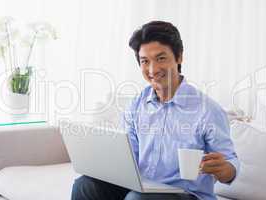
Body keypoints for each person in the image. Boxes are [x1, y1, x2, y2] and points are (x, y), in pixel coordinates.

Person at [71, 21, 239, 200]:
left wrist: (225, 169)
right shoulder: (137, 104)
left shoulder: (207, 110)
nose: (153, 69)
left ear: (179, 57)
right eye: (145, 61)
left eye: (161, 58)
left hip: (187, 195)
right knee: (85, 186)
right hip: (143, 188)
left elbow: (230, 162)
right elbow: (128, 156)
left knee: (137, 199)